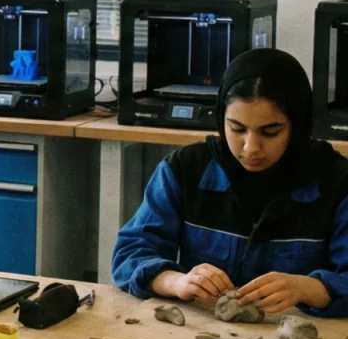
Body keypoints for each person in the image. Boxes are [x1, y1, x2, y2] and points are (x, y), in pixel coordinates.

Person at [112, 49, 348, 317]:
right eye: (236, 129)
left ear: (299, 125)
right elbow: (130, 253)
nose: (251, 148)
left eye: (270, 132)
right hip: (203, 337)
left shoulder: (337, 182)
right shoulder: (185, 170)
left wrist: (310, 288)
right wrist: (177, 281)